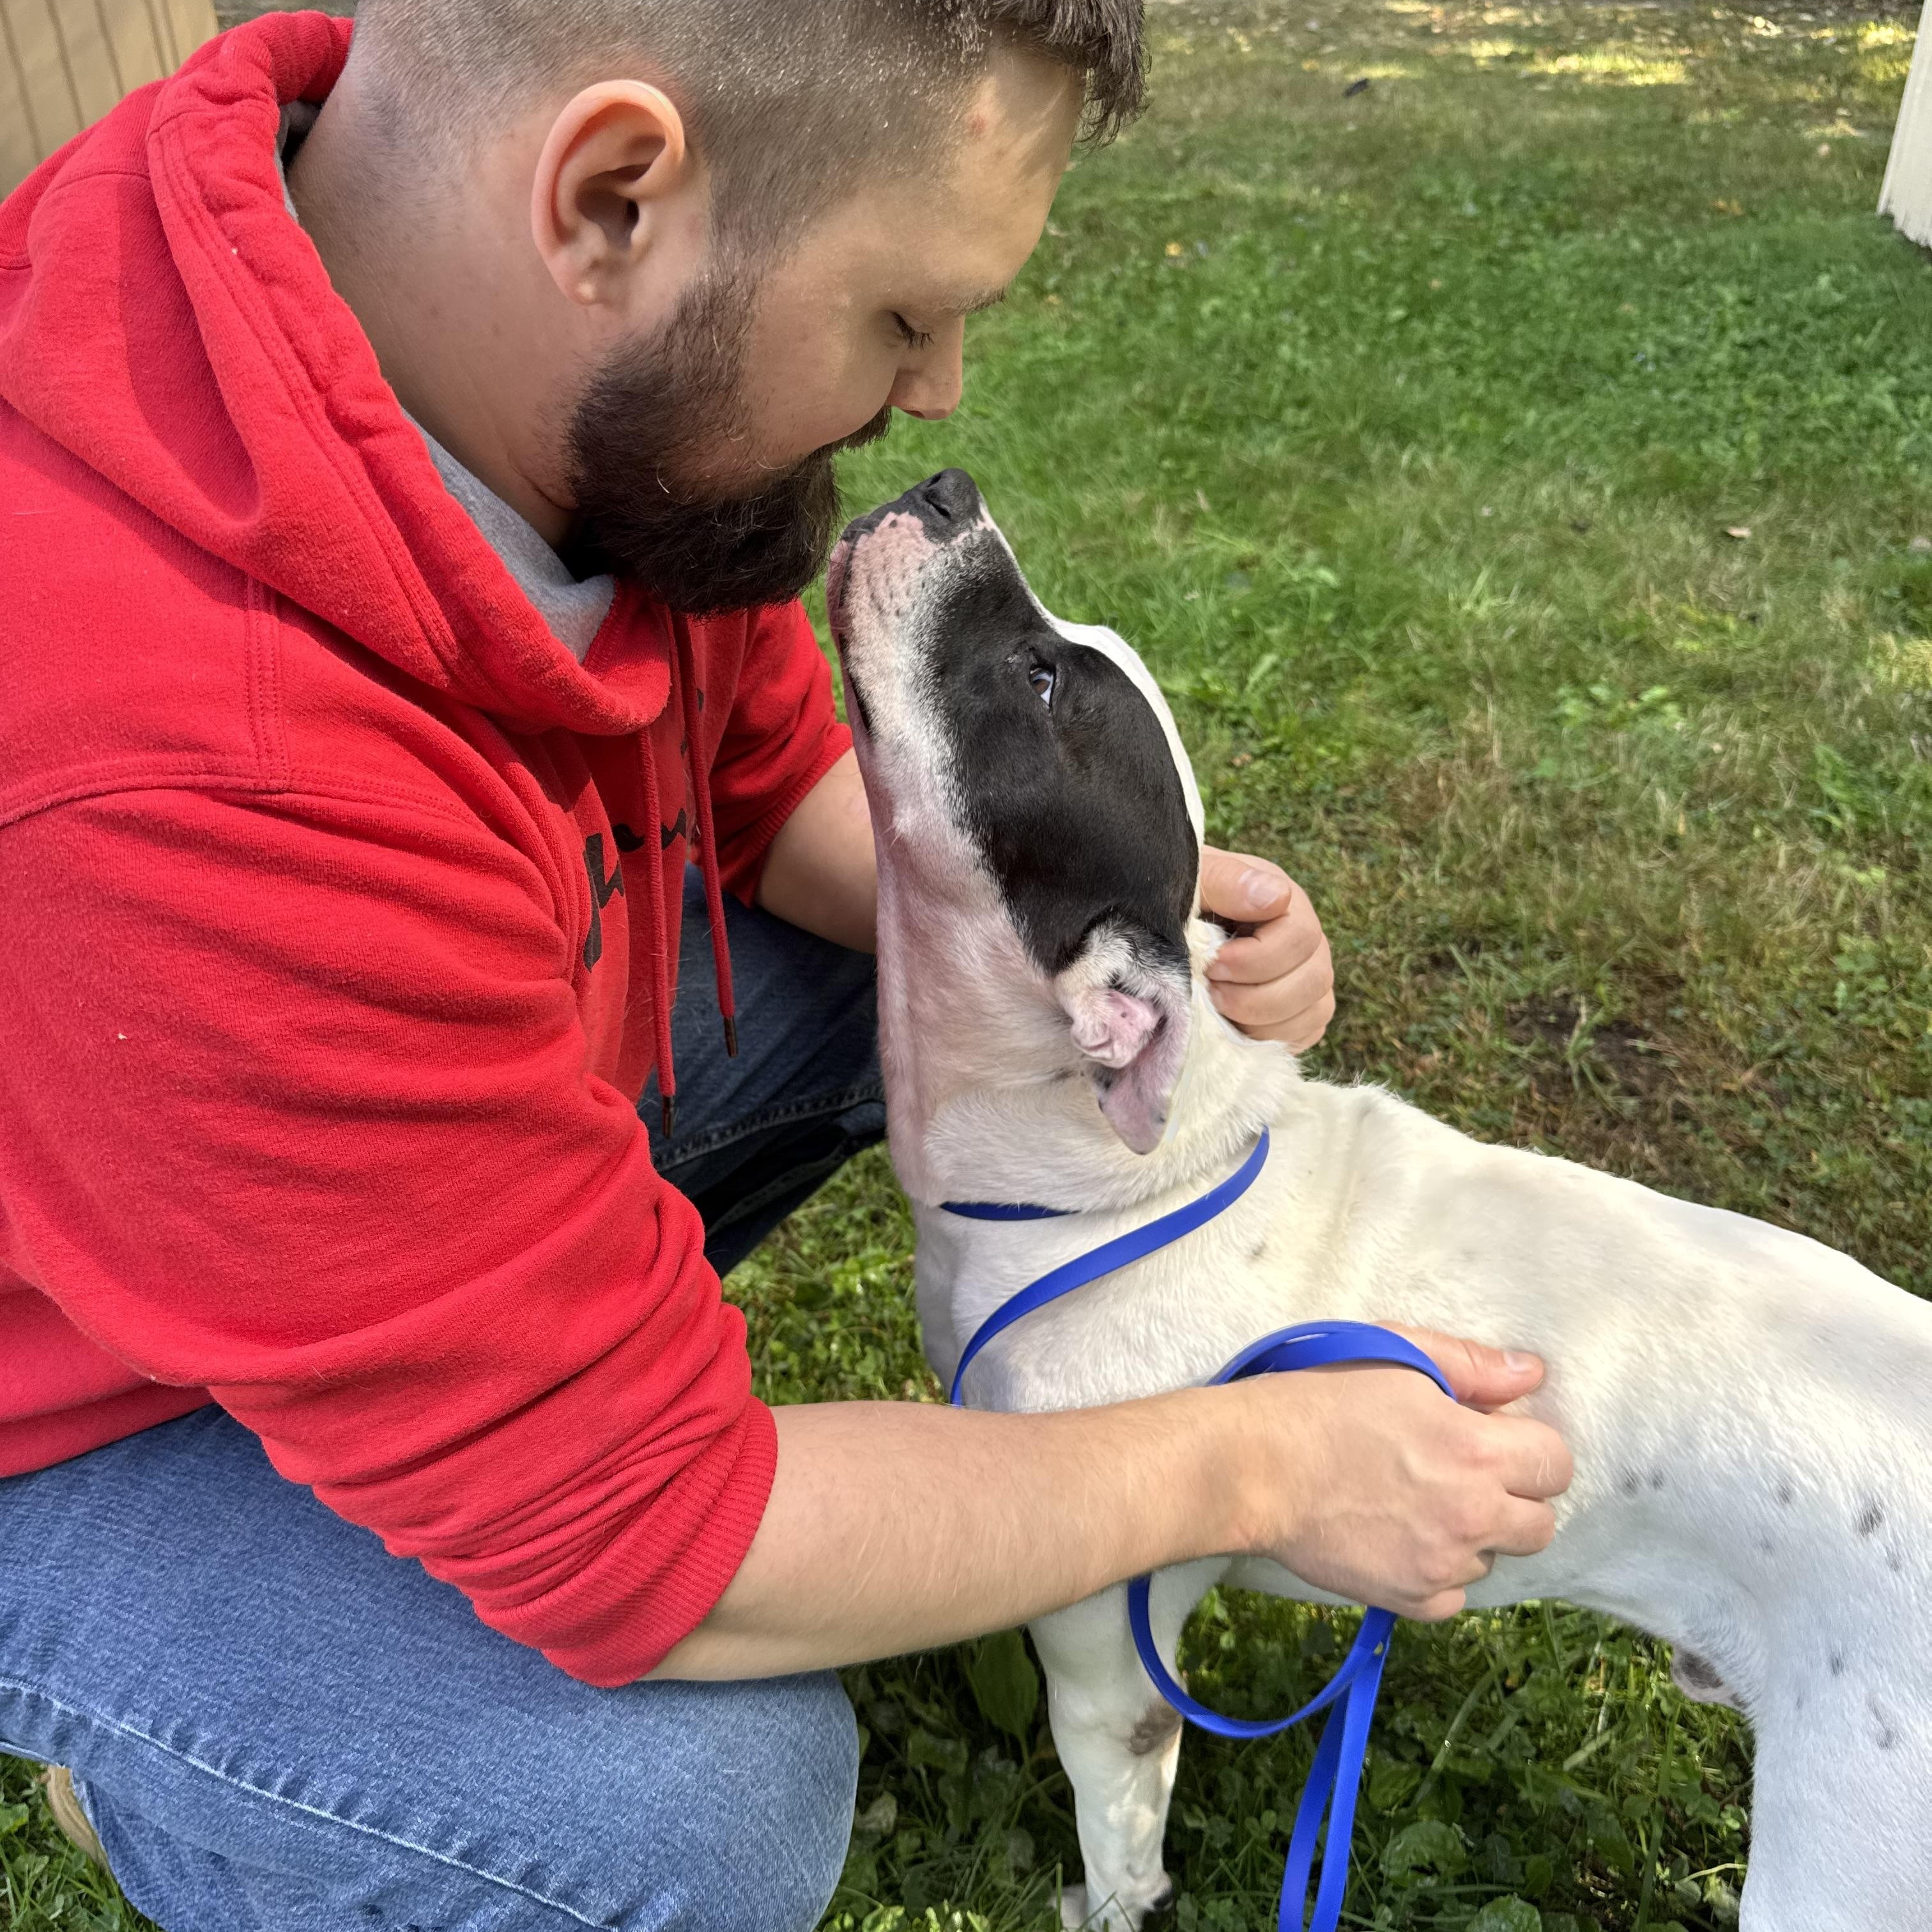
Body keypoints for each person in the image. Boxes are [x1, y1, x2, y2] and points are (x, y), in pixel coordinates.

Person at [0, 3, 1572, 1926]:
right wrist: (1256, 1462)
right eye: (904, 317)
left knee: (905, 983)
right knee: (689, 1811)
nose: (938, 393)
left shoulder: (528, 374)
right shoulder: (189, 770)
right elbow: (668, 1545)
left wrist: (1081, 923)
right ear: (610, 197)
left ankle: (430, 1332)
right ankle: (190, 1791)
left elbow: (761, 793)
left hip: (252, 1140)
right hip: (62, 1414)